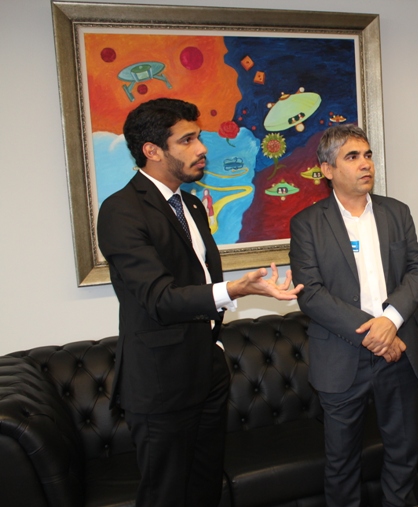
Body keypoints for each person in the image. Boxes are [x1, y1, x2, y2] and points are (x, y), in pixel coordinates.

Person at [97, 98, 302, 507]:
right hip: (161, 381)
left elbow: (196, 279)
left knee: (205, 488)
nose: (202, 148)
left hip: (207, 369)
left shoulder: (190, 204)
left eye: (199, 137)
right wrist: (235, 290)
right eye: (187, 140)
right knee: (167, 495)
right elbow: (158, 298)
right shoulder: (121, 211)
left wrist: (215, 346)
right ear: (153, 150)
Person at [289, 124, 418, 507]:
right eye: (352, 157)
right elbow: (311, 294)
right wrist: (375, 333)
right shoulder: (306, 224)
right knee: (341, 462)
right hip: (341, 356)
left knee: (403, 452)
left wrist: (391, 321)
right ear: (327, 169)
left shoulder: (396, 212)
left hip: (400, 351)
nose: (365, 164)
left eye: (367, 155)